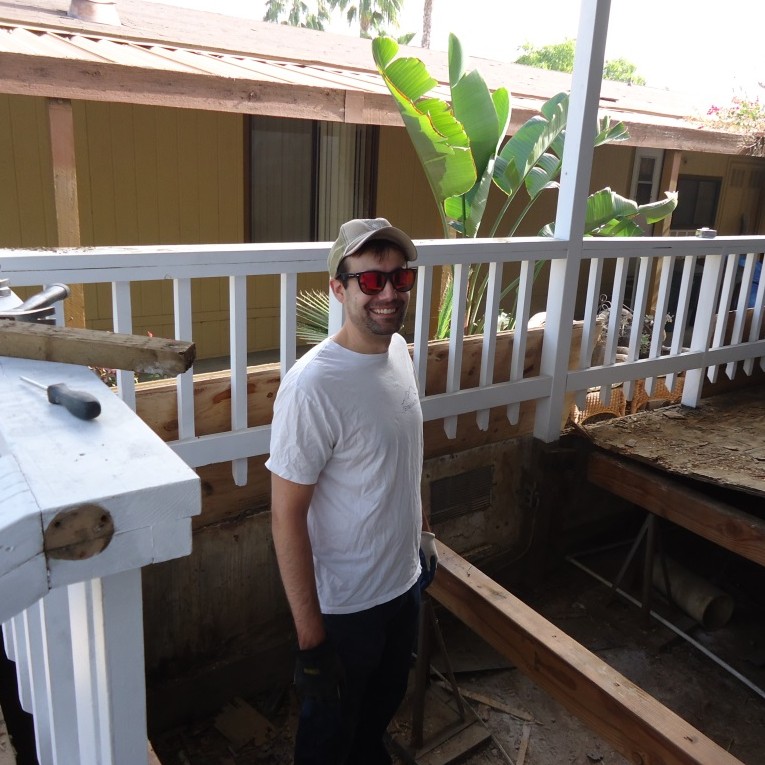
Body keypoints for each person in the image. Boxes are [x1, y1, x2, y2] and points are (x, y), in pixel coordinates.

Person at [267, 218, 439, 765]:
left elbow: (410, 459)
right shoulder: (313, 386)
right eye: (370, 281)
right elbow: (286, 517)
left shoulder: (400, 354)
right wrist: (312, 644)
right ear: (339, 289)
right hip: (345, 609)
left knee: (375, 718)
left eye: (399, 278)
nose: (388, 293)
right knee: (327, 740)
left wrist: (425, 537)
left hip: (402, 584)